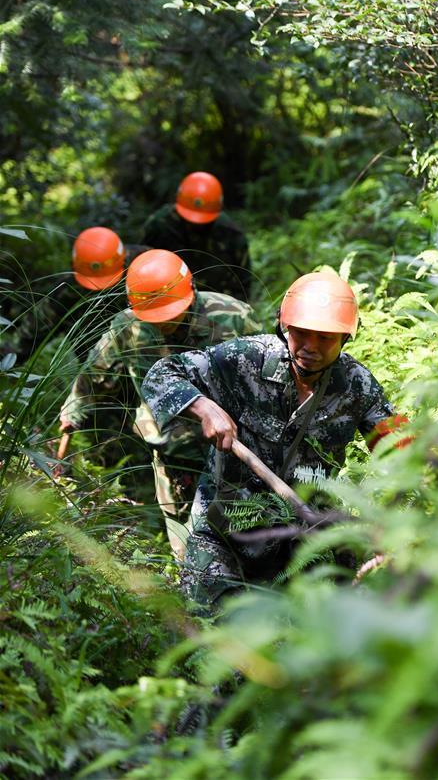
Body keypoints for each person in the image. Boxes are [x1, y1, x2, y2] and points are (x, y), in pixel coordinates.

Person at [141, 270, 402, 609]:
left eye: (325, 338)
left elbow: (403, 454)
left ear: (344, 338)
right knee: (211, 628)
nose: (310, 347)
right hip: (228, 529)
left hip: (307, 532)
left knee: (357, 615)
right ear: (285, 328)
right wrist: (203, 407)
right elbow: (162, 374)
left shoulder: (357, 385)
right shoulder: (244, 359)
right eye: (302, 334)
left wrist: (389, 531)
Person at [57, 248, 260, 558]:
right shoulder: (127, 328)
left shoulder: (233, 316)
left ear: (190, 292)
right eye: (156, 316)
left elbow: (266, 376)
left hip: (231, 445)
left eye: (172, 314)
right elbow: (95, 376)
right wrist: (73, 415)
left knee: (240, 531)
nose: (166, 324)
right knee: (184, 540)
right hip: (171, 451)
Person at [15, 227, 148, 359]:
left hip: (149, 338)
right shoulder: (67, 290)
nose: (99, 286)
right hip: (97, 358)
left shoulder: (146, 261)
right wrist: (9, 360)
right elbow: (34, 328)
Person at [140, 172, 251, 301]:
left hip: (217, 307)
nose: (196, 225)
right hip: (167, 304)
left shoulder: (230, 234)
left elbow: (243, 284)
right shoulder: (160, 226)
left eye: (204, 223)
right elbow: (143, 268)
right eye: (189, 220)